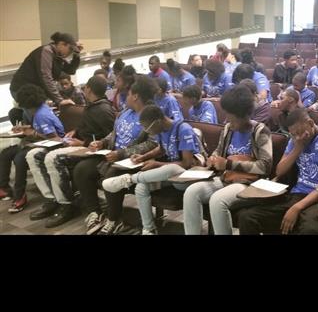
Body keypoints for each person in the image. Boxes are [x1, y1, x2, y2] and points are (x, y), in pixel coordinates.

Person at [25, 75, 115, 227]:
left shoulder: (103, 109)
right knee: (33, 155)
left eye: (85, 87)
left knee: (52, 158)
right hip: (79, 143)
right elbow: (87, 126)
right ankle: (52, 199)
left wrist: (83, 142)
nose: (83, 89)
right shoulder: (92, 106)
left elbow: (110, 138)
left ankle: (67, 204)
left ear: (89, 89)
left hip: (91, 149)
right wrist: (75, 131)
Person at [238, 108, 318, 235]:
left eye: (299, 133)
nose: (297, 137)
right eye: (293, 134)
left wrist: (296, 208)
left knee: (309, 230)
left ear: (310, 123)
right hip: (296, 194)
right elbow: (279, 171)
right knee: (247, 217)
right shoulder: (296, 141)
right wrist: (298, 147)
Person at [72, 76, 158, 235]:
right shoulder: (126, 111)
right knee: (82, 169)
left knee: (110, 176)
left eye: (130, 93)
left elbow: (152, 143)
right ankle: (96, 213)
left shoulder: (151, 114)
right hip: (113, 155)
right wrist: (102, 143)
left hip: (132, 160)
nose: (127, 96)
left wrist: (122, 153)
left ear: (136, 96)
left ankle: (114, 220)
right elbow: (115, 133)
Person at [102, 105, 206, 235]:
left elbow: (186, 164)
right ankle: (149, 228)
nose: (147, 131)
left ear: (157, 122)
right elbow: (162, 148)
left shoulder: (183, 130)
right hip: (171, 176)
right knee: (141, 187)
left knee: (172, 167)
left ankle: (130, 179)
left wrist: (156, 164)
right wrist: (143, 157)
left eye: (148, 128)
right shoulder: (162, 130)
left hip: (189, 178)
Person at [183, 85, 273, 235]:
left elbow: (265, 166)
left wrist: (229, 163)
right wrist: (213, 158)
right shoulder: (228, 129)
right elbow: (219, 150)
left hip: (249, 184)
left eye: (232, 116)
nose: (228, 120)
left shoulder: (260, 131)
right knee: (191, 192)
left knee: (218, 201)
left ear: (244, 114)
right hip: (226, 178)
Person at [0, 84, 65, 213]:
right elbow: (40, 130)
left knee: (19, 158)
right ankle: (4, 188)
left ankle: (20, 196)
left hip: (50, 147)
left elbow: (55, 139)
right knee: (6, 153)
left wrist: (33, 134)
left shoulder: (41, 115)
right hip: (39, 142)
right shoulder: (37, 110)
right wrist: (26, 129)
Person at [10, 32, 83, 108]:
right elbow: (46, 77)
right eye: (70, 49)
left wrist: (76, 54)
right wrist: (60, 100)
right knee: (38, 113)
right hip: (22, 90)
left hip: (35, 90)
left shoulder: (58, 56)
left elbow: (71, 70)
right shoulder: (46, 51)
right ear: (62, 44)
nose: (70, 52)